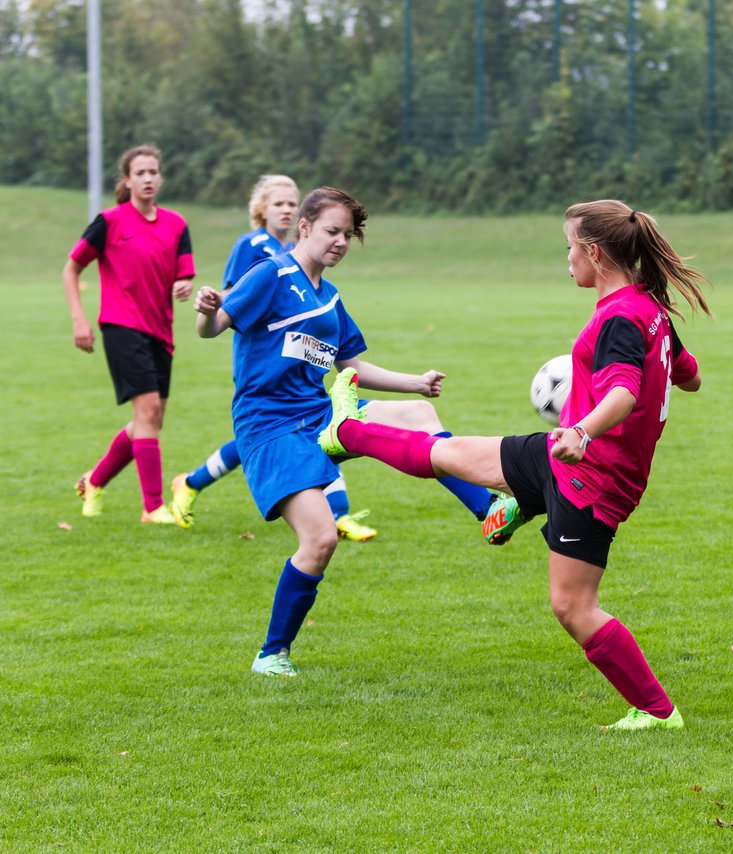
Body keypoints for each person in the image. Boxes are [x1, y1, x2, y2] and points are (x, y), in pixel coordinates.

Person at [316, 199, 710, 731]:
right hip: (576, 465)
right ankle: (357, 435)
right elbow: (691, 378)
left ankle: (657, 712)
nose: (566, 258)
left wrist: (581, 429)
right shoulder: (648, 310)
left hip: (588, 477)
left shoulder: (620, 316)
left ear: (594, 252)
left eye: (570, 248)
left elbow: (622, 392)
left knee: (573, 607)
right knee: (450, 455)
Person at [192, 186, 497, 677]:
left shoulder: (329, 297)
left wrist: (413, 384)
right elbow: (215, 327)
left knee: (419, 418)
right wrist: (207, 309)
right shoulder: (270, 274)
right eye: (332, 231)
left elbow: (350, 364)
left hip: (319, 415)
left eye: (348, 236)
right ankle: (272, 654)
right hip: (270, 428)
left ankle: (488, 509)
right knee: (319, 540)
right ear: (305, 227)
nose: (339, 243)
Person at [169, 176, 377, 542]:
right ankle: (190, 482)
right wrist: (209, 305)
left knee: (316, 424)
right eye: (278, 203)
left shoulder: (303, 254)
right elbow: (232, 298)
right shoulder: (252, 247)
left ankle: (337, 513)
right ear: (261, 209)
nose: (286, 208)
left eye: (291, 202)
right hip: (263, 359)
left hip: (297, 363)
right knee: (293, 432)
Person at [64, 144, 195, 524]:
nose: (149, 178)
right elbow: (71, 268)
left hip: (161, 333)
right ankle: (153, 507)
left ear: (161, 177)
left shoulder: (177, 224)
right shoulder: (109, 221)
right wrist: (79, 319)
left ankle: (94, 480)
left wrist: (184, 285)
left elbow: (183, 274)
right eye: (141, 173)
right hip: (121, 326)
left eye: (154, 171)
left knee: (149, 421)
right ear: (128, 180)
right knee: (149, 412)